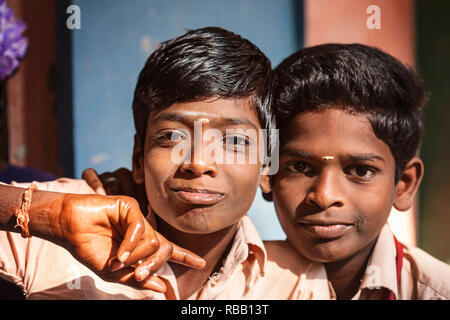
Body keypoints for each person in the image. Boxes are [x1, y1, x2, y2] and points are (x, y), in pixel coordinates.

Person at [0, 27, 319, 299]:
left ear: (267, 167)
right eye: (172, 137)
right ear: (138, 158)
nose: (197, 162)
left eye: (233, 142)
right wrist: (47, 215)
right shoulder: (50, 233)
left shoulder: (294, 280)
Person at [258, 43, 450, 299]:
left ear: (404, 184)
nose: (324, 196)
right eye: (301, 167)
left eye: (360, 171)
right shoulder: (229, 289)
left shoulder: (438, 292)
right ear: (268, 174)